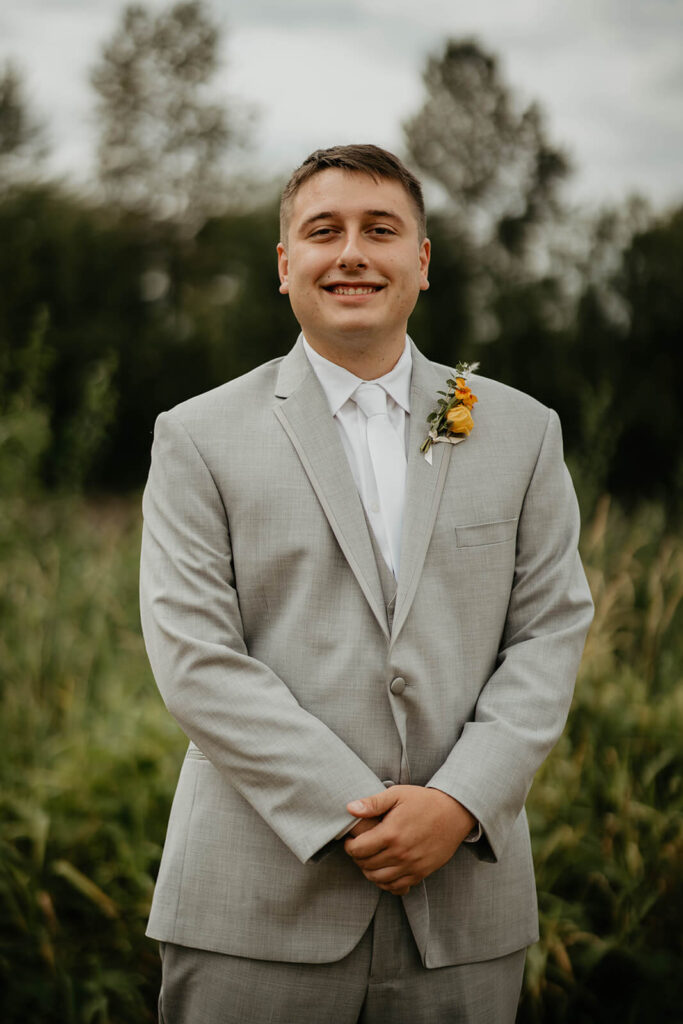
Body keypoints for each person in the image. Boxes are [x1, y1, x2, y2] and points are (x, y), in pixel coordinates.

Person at [140, 144, 593, 1023]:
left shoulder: (521, 430)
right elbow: (195, 658)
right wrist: (353, 816)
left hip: (463, 915)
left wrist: (459, 803)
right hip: (255, 909)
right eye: (323, 231)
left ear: (420, 262)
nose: (351, 252)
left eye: (380, 230)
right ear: (285, 266)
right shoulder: (195, 436)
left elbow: (549, 630)